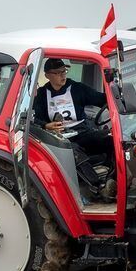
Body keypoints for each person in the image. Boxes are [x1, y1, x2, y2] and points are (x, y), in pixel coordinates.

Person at [33, 57, 111, 197]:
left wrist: (115, 94)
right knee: (72, 151)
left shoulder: (77, 88)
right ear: (47, 75)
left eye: (64, 71)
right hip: (60, 137)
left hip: (82, 131)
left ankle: (114, 178)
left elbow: (102, 99)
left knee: (109, 140)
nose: (63, 75)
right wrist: (46, 125)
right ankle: (98, 187)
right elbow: (34, 119)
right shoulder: (42, 95)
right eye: (57, 73)